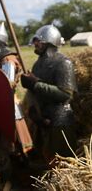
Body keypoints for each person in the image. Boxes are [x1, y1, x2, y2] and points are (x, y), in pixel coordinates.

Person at [21, 25, 77, 163]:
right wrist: (33, 109)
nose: (35, 44)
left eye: (38, 41)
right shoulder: (37, 65)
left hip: (60, 120)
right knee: (45, 163)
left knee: (62, 164)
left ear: (49, 42)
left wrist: (36, 84)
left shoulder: (63, 63)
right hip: (42, 120)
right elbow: (35, 93)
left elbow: (66, 94)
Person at [0, 22, 33, 184]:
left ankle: (21, 180)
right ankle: (11, 179)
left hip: (9, 108)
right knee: (4, 146)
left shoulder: (7, 59)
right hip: (0, 108)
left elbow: (6, 84)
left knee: (14, 146)